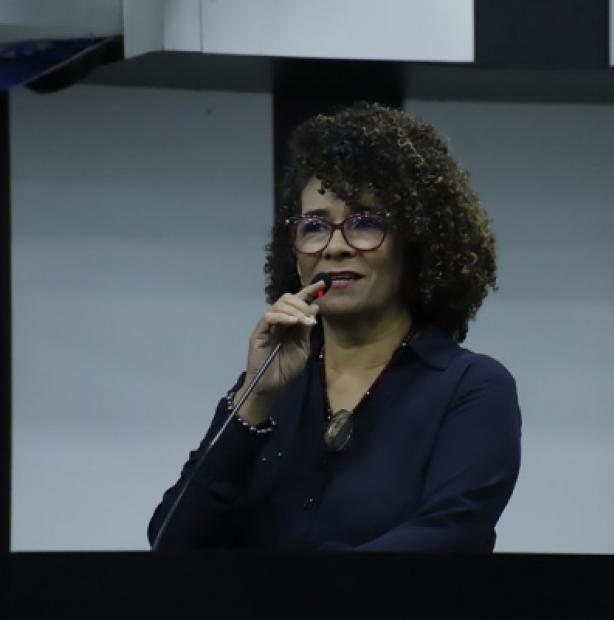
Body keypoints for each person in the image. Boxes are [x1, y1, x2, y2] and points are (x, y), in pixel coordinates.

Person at [148, 101, 521, 552]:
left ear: (417, 241)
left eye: (365, 223)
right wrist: (254, 399)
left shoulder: (471, 386)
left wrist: (302, 585)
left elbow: (453, 535)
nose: (336, 247)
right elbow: (170, 541)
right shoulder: (272, 387)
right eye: (314, 227)